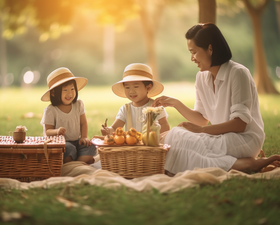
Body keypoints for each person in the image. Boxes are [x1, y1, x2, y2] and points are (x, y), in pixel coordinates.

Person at [152, 23, 280, 175]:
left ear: (210, 49)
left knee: (176, 136)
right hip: (219, 138)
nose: (192, 58)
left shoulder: (238, 73)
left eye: (194, 52)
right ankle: (243, 164)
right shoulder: (201, 77)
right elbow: (201, 119)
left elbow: (240, 124)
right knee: (176, 136)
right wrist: (175, 103)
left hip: (244, 139)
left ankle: (247, 161)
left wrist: (201, 131)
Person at [40, 67, 96, 164]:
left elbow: (83, 123)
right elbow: (48, 131)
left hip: (77, 141)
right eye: (65, 90)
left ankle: (76, 162)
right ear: (53, 93)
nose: (70, 93)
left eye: (72, 89)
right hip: (61, 143)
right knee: (68, 148)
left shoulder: (78, 105)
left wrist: (84, 137)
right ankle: (79, 162)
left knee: (91, 145)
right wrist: (57, 131)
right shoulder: (51, 110)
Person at [101, 63, 170, 141]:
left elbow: (164, 125)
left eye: (136, 86)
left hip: (151, 146)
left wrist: (158, 138)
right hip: (131, 148)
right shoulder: (125, 109)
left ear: (148, 87)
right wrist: (108, 130)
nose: (131, 91)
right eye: (127, 87)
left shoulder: (155, 107)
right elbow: (114, 128)